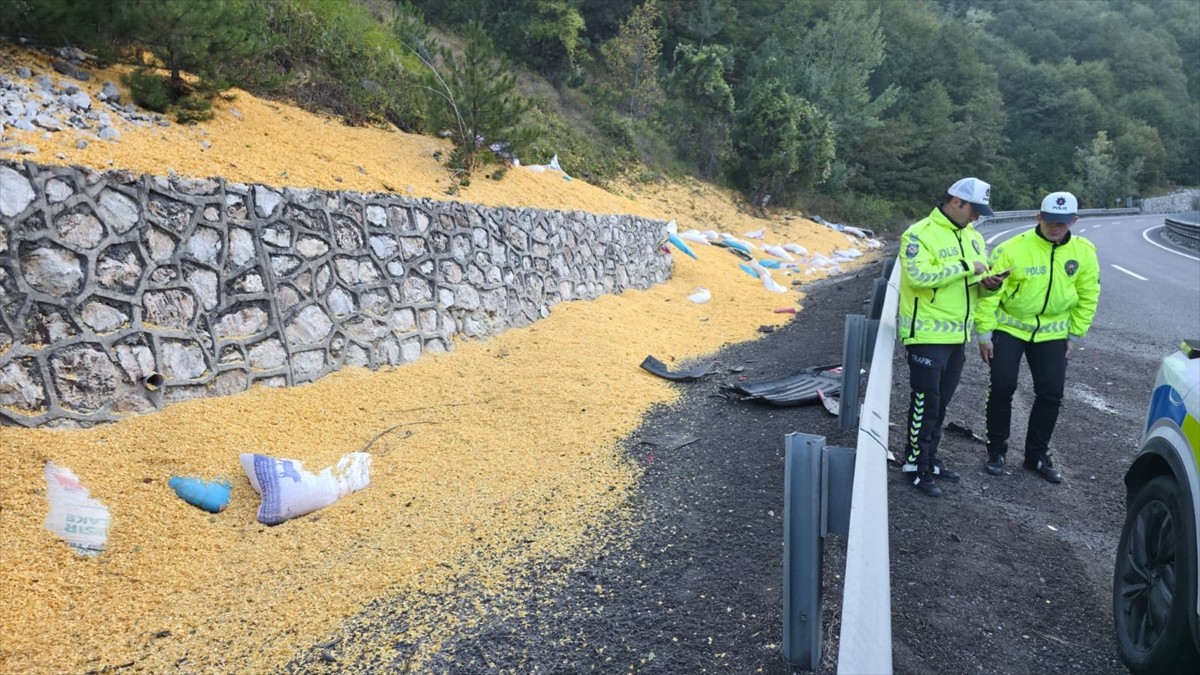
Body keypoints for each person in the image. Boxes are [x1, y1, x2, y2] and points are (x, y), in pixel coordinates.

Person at [975, 191, 1101, 483]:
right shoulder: (1012, 249)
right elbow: (990, 295)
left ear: (1074, 220)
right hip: (1011, 328)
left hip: (1053, 333)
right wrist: (984, 333)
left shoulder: (1084, 252)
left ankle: (1036, 455)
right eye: (1050, 220)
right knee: (1003, 385)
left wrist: (1075, 334)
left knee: (1051, 393)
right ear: (1038, 217)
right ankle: (996, 450)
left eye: (1063, 222)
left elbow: (1088, 295)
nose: (1056, 227)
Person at [898, 177, 1007, 497]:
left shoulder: (973, 237)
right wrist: (964, 266)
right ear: (956, 201)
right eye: (975, 210)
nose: (978, 217)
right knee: (925, 401)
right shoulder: (919, 233)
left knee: (941, 402)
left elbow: (974, 278)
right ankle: (914, 464)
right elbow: (918, 276)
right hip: (925, 333)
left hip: (956, 335)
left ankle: (929, 458)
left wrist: (989, 283)